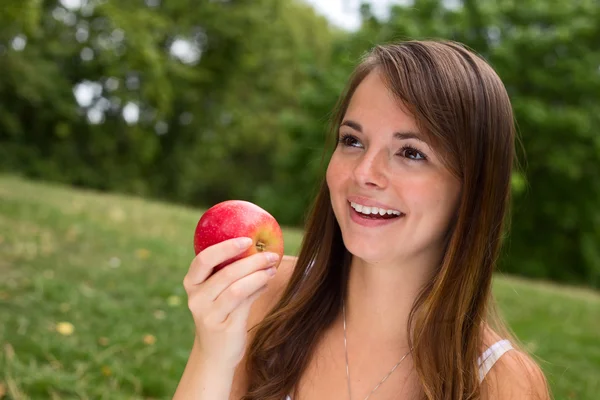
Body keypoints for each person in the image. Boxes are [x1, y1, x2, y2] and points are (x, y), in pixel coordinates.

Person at [173, 40, 551, 400]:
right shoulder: (266, 297)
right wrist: (215, 352)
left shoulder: (504, 383)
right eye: (352, 141)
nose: (364, 172)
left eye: (411, 152)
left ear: (473, 187)